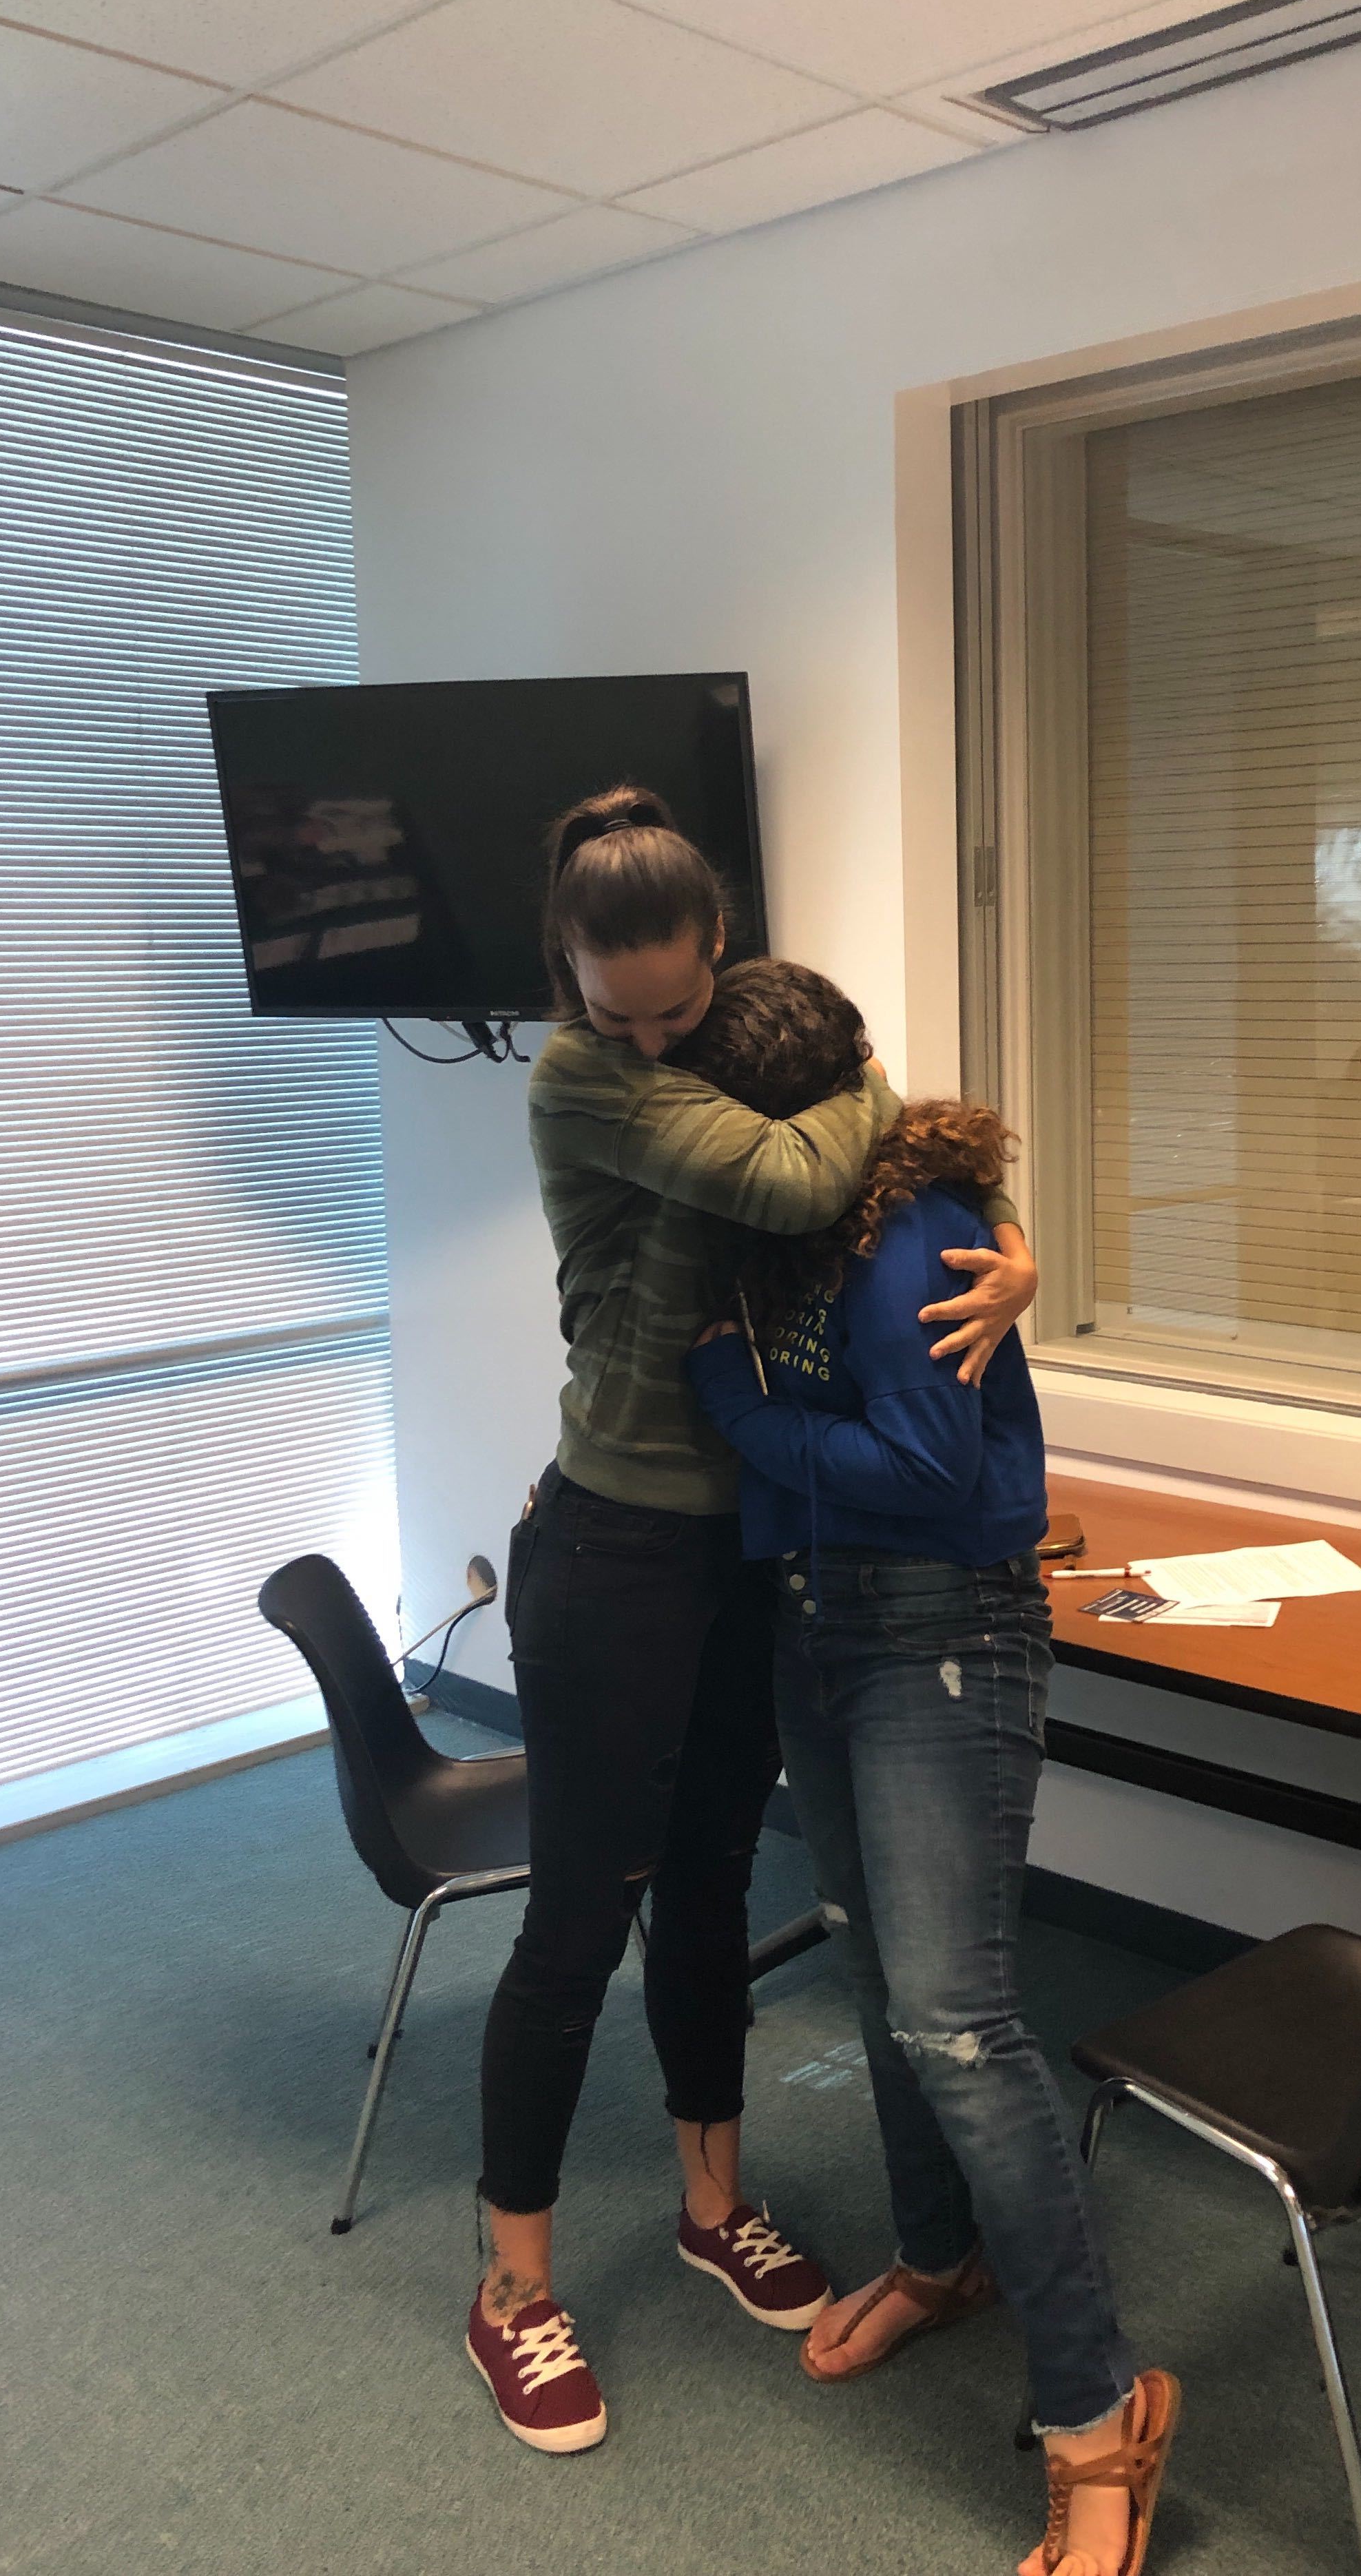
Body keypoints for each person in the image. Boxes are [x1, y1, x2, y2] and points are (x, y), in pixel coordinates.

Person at [467, 791, 1038, 2457]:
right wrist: (869, 1068)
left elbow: (892, 1198)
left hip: (741, 1551)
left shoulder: (729, 1047)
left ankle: (712, 2205)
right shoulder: (585, 1077)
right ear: (567, 972)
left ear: (720, 951)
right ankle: (515, 2290)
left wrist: (1014, 1244)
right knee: (582, 1914)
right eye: (609, 1003)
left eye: (675, 1008)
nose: (644, 1039)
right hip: (613, 1543)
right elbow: (808, 1187)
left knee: (712, 1884)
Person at [684, 959, 1180, 2576]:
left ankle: (1101, 2421)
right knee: (873, 1957)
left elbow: (921, 1461)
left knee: (958, 2024)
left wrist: (736, 1408)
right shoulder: (756, 1221)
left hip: (936, 1629)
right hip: (811, 1620)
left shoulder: (917, 1232)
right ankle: (938, 2256)